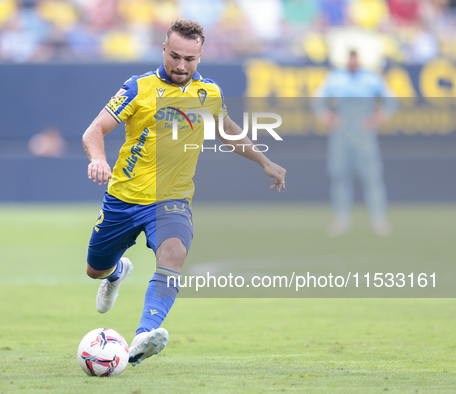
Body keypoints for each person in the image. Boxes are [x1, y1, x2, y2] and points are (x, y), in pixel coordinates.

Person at [82, 18, 286, 366]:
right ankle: (117, 272)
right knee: (95, 270)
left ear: (201, 56)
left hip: (171, 199)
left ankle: (143, 337)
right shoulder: (138, 88)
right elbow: (94, 130)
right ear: (163, 48)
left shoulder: (209, 93)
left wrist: (264, 161)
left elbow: (228, 130)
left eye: (190, 59)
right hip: (124, 198)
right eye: (175, 56)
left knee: (174, 253)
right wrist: (98, 159)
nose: (181, 65)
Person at [313, 50, 397, 237]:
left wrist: (377, 118)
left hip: (363, 133)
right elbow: (317, 101)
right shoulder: (335, 78)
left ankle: (378, 220)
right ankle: (342, 220)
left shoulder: (371, 79)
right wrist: (328, 118)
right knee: (339, 175)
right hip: (341, 133)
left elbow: (391, 101)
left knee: (372, 176)